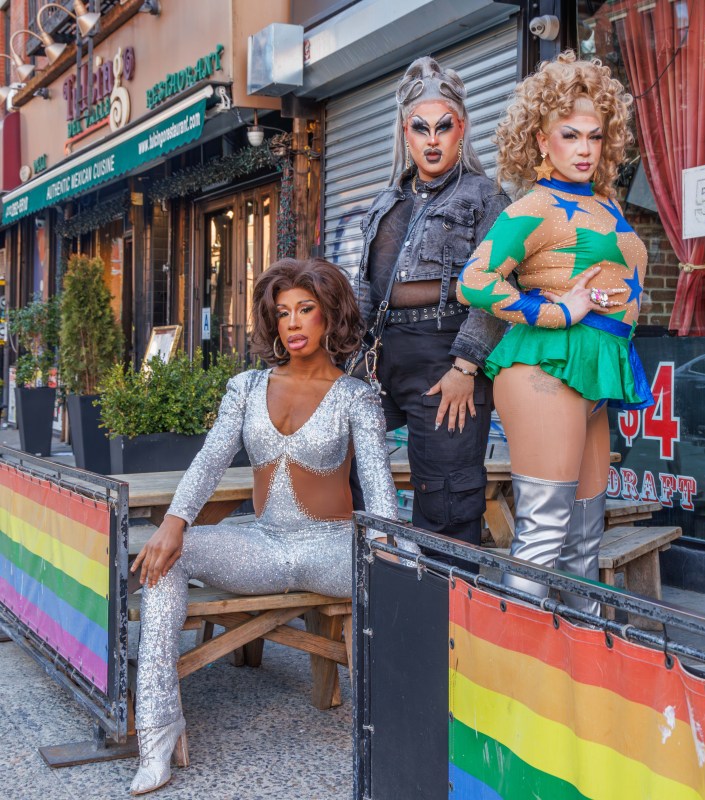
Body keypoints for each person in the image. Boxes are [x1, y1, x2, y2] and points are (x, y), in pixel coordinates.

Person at [128, 258, 397, 795]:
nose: (293, 323)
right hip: (264, 545)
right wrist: (174, 525)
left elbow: (381, 494)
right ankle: (158, 734)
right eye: (282, 313)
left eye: (305, 310)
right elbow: (207, 462)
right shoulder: (246, 387)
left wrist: (387, 555)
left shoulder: (356, 396)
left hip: (331, 552)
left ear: (329, 317)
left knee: (392, 580)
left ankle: (393, 735)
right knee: (164, 565)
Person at [457, 51, 653, 612]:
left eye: (595, 135)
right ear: (542, 140)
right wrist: (555, 312)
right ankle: (514, 681)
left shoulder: (605, 200)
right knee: (543, 536)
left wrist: (613, 300)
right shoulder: (536, 205)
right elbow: (474, 281)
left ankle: (575, 677)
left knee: (584, 542)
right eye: (570, 135)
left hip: (595, 367)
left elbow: (622, 276)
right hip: (546, 364)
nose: (585, 148)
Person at [355, 56, 509, 560]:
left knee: (447, 498)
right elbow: (364, 286)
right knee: (339, 462)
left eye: (444, 126)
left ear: (462, 128)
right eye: (421, 128)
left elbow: (500, 285)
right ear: (406, 132)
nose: (433, 139)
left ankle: (448, 624)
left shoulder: (485, 196)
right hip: (381, 357)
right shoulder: (386, 200)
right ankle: (369, 584)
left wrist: (467, 364)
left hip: (447, 358)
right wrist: (344, 365)